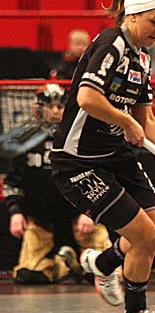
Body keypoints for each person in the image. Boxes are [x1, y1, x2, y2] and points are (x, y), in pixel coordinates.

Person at [50, 0, 155, 313]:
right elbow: (87, 98)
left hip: (116, 156)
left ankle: (103, 263)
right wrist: (124, 121)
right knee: (144, 236)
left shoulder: (142, 59)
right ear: (132, 15)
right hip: (79, 162)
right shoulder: (111, 44)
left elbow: (147, 121)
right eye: (154, 22)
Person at [4, 84, 111, 285]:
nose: (55, 112)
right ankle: (64, 265)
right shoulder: (24, 141)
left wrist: (90, 210)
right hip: (41, 219)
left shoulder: (80, 137)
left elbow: (100, 175)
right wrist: (15, 212)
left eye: (60, 107)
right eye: (50, 107)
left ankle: (83, 267)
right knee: (28, 275)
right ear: (38, 108)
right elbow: (12, 182)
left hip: (82, 216)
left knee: (107, 273)